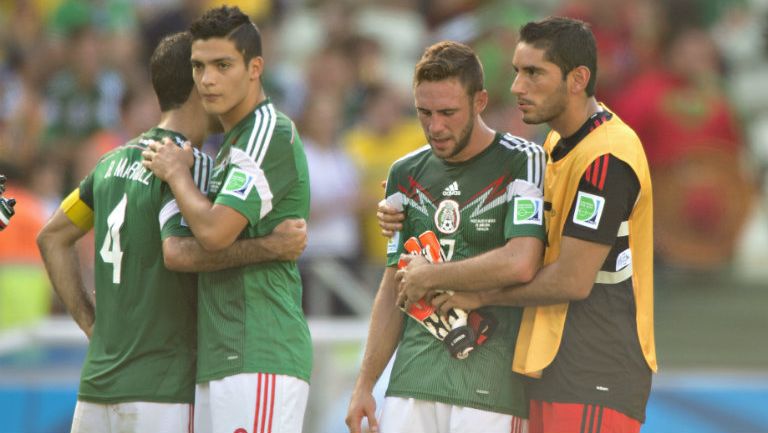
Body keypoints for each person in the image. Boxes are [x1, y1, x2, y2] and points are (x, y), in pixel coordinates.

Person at [381, 17, 657, 433]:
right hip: (552, 370)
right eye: (516, 71)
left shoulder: (608, 157)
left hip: (597, 372)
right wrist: (406, 209)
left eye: (534, 73)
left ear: (577, 79)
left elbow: (572, 280)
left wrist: (479, 293)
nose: (517, 87)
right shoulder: (554, 146)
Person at [36, 32, 306, 433]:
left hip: (96, 388)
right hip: (161, 391)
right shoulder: (188, 166)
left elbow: (52, 237)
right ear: (198, 87)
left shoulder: (110, 164)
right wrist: (271, 246)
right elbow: (179, 252)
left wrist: (93, 325)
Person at [345, 40, 547, 433]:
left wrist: (434, 275)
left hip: (489, 383)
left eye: (448, 112)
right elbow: (393, 284)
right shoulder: (404, 172)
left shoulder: (522, 160)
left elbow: (521, 262)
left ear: (480, 101)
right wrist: (365, 383)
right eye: (424, 112)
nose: (435, 126)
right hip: (412, 379)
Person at [141, 7, 312, 433]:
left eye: (222, 66)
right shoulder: (231, 142)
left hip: (261, 350)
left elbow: (215, 233)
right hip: (223, 353)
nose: (207, 80)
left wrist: (179, 174)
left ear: (255, 69)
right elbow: (183, 253)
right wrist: (269, 247)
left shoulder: (266, 132)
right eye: (199, 67)